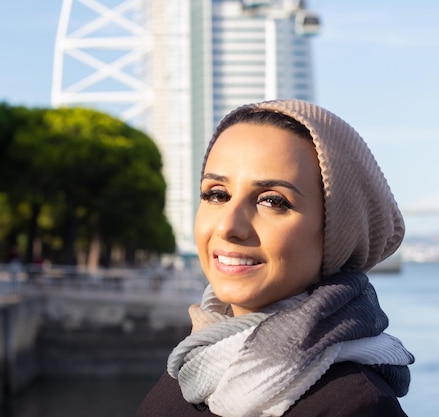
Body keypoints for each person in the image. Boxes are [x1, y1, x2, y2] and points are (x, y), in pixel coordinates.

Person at [136, 99, 415, 417]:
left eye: (272, 201)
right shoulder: (197, 364)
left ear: (337, 232)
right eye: (217, 194)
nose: (229, 226)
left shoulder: (349, 404)